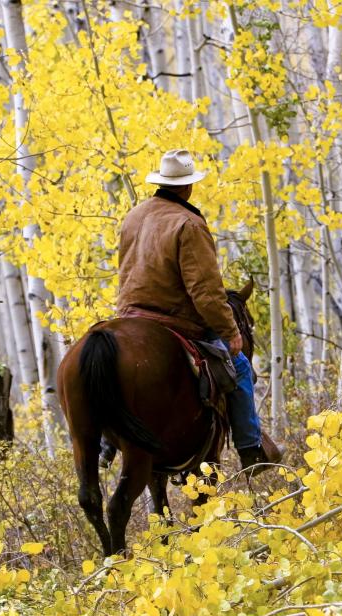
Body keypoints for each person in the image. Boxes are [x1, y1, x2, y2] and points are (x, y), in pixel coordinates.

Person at [114, 149, 281, 471]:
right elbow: (205, 292)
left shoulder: (134, 215)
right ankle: (251, 448)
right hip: (173, 318)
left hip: (129, 315)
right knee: (241, 367)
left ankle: (108, 443)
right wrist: (231, 331)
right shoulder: (188, 223)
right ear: (188, 187)